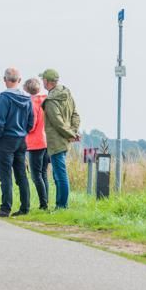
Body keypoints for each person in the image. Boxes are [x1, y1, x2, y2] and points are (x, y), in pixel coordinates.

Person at [0, 67, 35, 218]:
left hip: (6, 139)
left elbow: (0, 121)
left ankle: (5, 207)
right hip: (21, 140)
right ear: (19, 80)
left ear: (5, 80)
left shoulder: (4, 97)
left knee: (6, 175)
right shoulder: (28, 99)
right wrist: (23, 132)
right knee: (21, 174)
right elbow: (31, 122)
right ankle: (25, 207)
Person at [40, 68, 81, 210]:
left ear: (47, 81)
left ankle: (62, 206)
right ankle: (60, 205)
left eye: (43, 80)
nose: (42, 82)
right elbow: (75, 114)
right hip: (65, 140)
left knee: (60, 175)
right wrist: (73, 132)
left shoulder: (50, 101)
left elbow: (57, 123)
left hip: (57, 141)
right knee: (58, 174)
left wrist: (71, 134)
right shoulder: (66, 93)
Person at [24, 78, 50, 210]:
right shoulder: (46, 99)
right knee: (44, 173)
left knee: (35, 175)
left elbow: (32, 125)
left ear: (27, 89)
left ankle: (43, 204)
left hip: (35, 142)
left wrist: (24, 129)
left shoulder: (32, 103)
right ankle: (46, 202)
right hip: (47, 140)